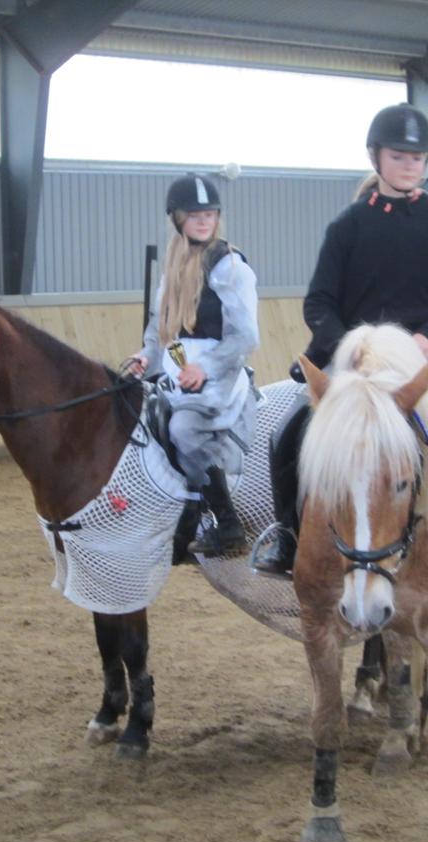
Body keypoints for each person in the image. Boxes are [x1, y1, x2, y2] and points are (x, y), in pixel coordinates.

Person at [253, 103, 428, 584]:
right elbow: (320, 301)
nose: (409, 165)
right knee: (287, 432)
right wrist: (348, 346)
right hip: (357, 364)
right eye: (399, 156)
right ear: (375, 158)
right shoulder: (347, 228)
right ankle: (286, 534)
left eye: (417, 157)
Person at [129, 173, 259, 556]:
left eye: (210, 214)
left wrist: (207, 368)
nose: (204, 221)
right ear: (178, 219)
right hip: (175, 368)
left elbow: (245, 336)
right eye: (195, 215)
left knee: (185, 430)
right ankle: (182, 516)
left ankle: (226, 521)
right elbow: (160, 327)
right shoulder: (173, 267)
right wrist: (145, 355)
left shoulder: (231, 267)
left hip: (218, 371)